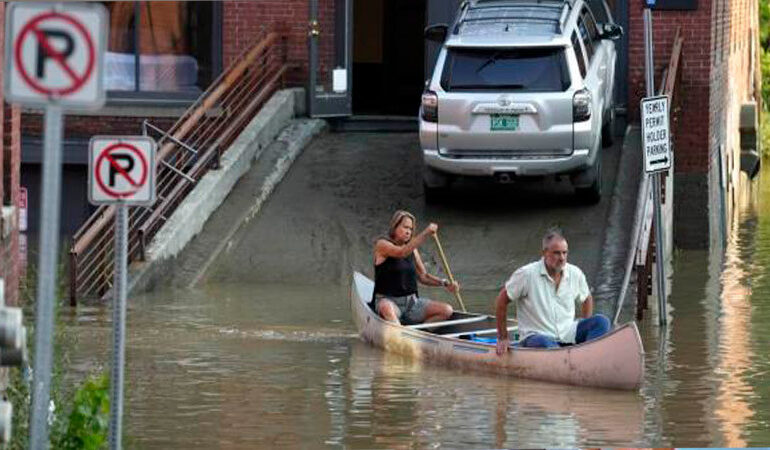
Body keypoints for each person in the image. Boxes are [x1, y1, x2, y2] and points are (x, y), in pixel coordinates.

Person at [494, 229, 610, 355]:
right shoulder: (527, 274)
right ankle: (573, 358)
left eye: (565, 253)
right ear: (544, 253)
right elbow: (501, 300)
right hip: (537, 336)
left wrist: (585, 323)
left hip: (568, 333)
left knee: (602, 322)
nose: (562, 258)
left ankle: (587, 354)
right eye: (557, 253)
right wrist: (503, 337)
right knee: (545, 343)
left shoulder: (575, 273)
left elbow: (586, 298)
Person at [372, 210, 458, 325]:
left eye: (411, 229)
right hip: (388, 301)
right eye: (405, 227)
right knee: (386, 308)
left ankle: (422, 334)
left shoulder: (413, 250)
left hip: (412, 303)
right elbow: (401, 252)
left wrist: (445, 283)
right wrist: (426, 232)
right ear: (395, 227)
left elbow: (423, 276)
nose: (408, 232)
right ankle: (398, 334)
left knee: (447, 310)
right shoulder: (382, 244)